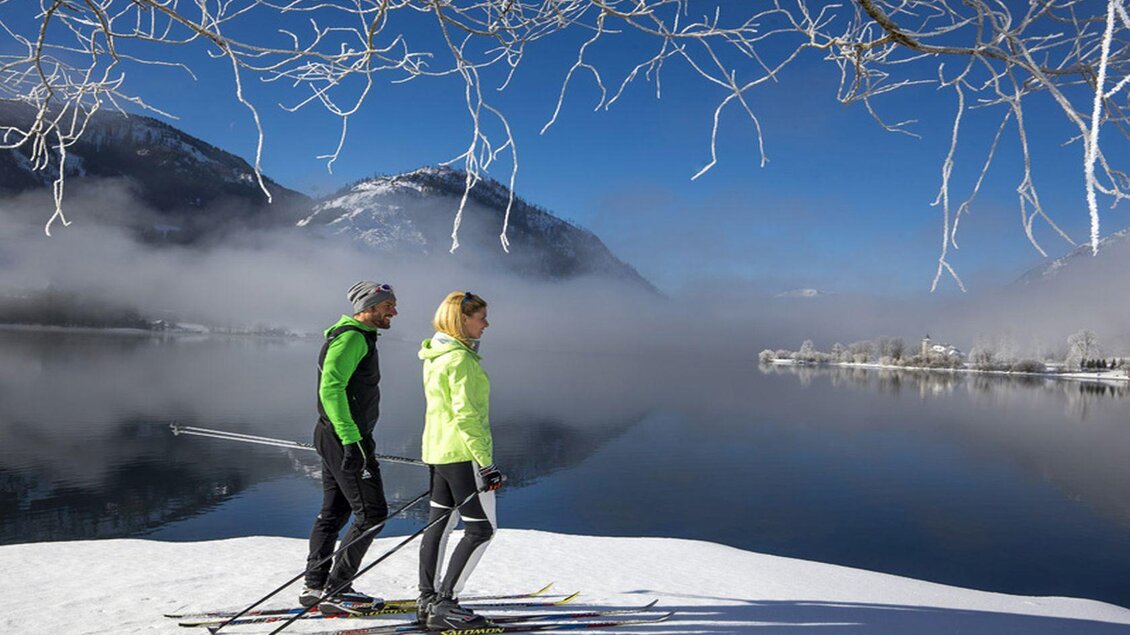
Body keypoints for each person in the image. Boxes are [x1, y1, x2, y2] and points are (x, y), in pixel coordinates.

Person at [300, 281, 398, 615]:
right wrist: (352, 441)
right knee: (372, 514)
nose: (394, 312)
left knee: (335, 511)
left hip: (335, 436)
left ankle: (314, 585)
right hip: (346, 438)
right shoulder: (353, 337)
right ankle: (337, 590)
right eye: (389, 306)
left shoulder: (354, 335)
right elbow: (331, 389)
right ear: (369, 305)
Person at [416, 291, 505, 630]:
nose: (486, 323)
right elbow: (467, 416)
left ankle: (428, 598)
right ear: (462, 319)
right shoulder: (461, 361)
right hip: (464, 454)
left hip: (439, 452)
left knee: (439, 524)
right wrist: (487, 463)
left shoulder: (436, 356)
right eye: (481, 317)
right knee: (481, 530)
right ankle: (446, 604)